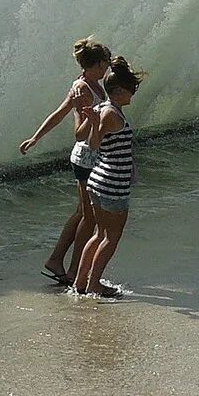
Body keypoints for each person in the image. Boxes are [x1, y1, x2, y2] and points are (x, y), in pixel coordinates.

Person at [19, 37, 111, 284]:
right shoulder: (83, 89)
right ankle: (73, 271)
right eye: (106, 64)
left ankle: (57, 260)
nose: (108, 69)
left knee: (83, 213)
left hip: (93, 157)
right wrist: (35, 139)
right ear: (98, 64)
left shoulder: (92, 84)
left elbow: (58, 113)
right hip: (86, 158)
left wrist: (35, 138)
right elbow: (78, 130)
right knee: (89, 217)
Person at [73, 55, 144, 297]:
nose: (132, 96)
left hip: (98, 180)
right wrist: (95, 125)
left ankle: (81, 283)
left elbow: (79, 136)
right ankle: (94, 285)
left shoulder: (101, 107)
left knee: (100, 234)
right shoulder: (111, 113)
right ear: (118, 90)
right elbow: (92, 143)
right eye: (130, 91)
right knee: (111, 238)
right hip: (112, 184)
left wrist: (90, 121)